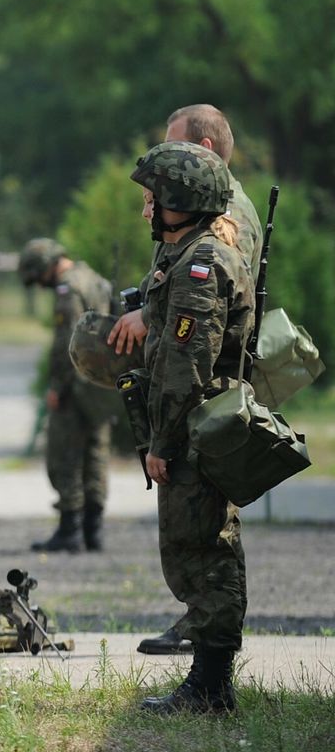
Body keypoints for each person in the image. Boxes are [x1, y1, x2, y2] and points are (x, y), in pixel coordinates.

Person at [109, 104, 261, 655]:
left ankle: (213, 680)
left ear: (184, 202)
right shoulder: (188, 254)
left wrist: (164, 442)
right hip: (193, 425)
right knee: (193, 543)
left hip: (196, 427)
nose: (148, 204)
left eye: (157, 195)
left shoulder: (200, 265)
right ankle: (208, 672)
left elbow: (186, 364)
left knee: (206, 548)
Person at [17, 239, 113, 552]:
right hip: (101, 380)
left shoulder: (67, 289)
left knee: (65, 454)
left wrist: (57, 386)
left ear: (46, 265)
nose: (41, 285)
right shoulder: (94, 278)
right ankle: (93, 531)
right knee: (96, 452)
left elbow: (66, 343)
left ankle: (70, 529)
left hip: (75, 383)